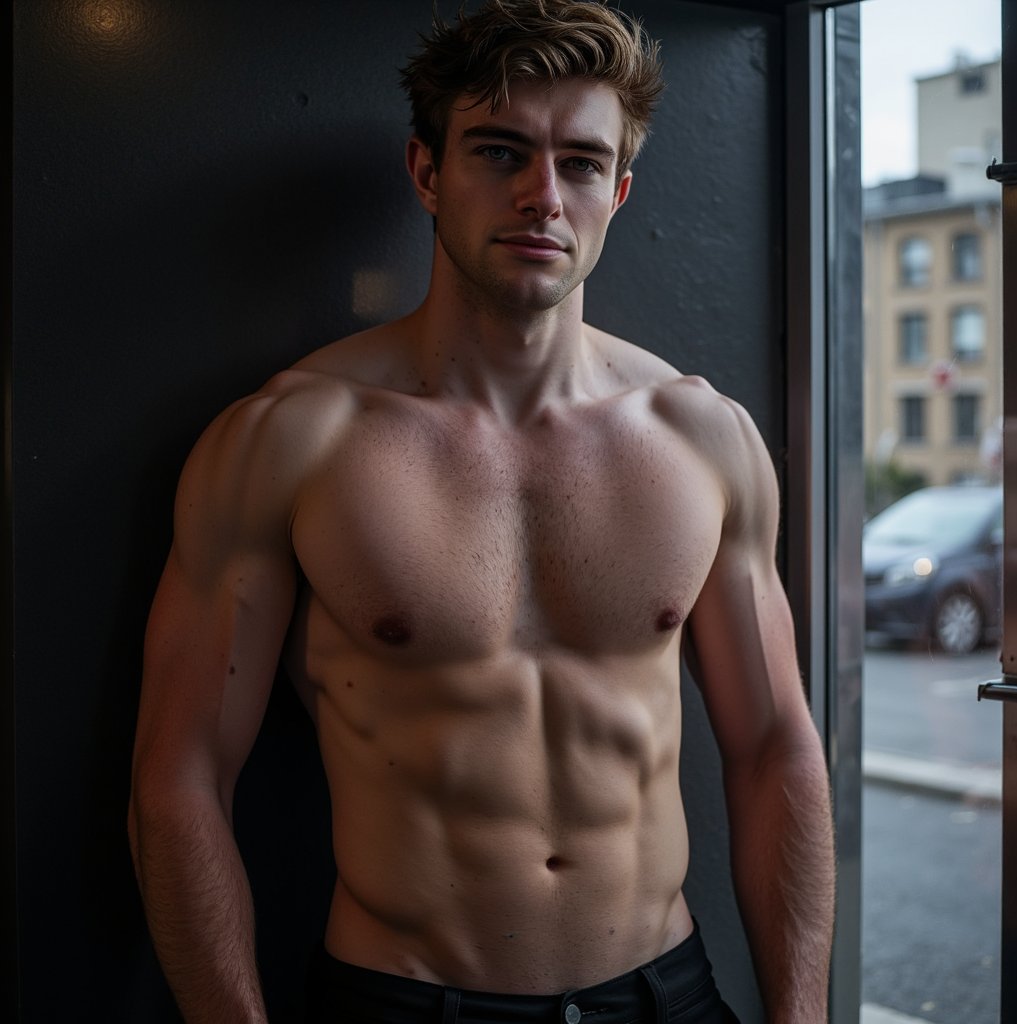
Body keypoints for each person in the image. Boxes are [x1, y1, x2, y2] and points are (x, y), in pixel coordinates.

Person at [128, 1, 835, 1022]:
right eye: (500, 152)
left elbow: (774, 744)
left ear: (619, 190)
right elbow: (179, 778)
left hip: (663, 994)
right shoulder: (291, 440)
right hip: (403, 1001)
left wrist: (801, 1014)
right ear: (426, 172)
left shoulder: (701, 438)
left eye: (581, 164)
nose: (542, 196)